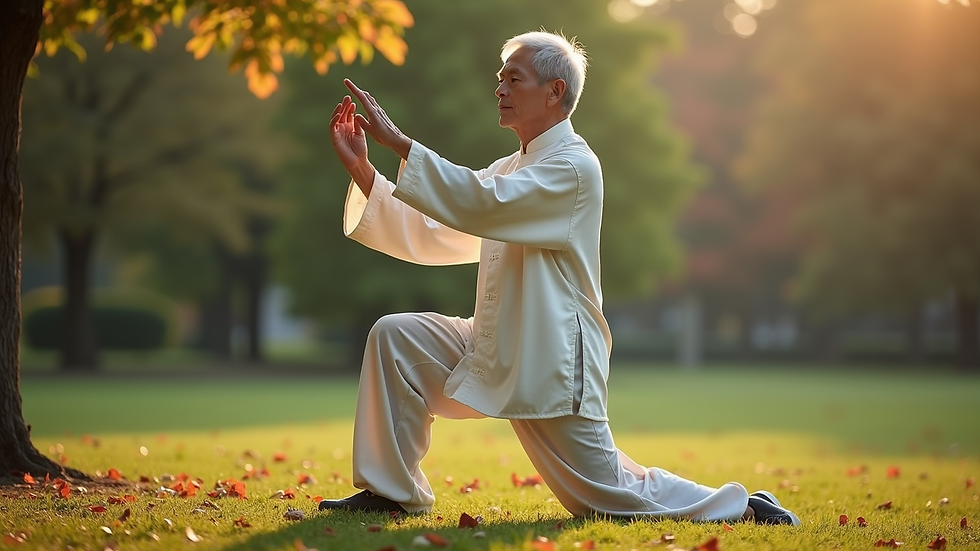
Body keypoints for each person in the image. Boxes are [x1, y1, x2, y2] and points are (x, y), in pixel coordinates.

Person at [318, 30, 800, 526]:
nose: (500, 89)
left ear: (554, 93)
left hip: (553, 360)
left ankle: (743, 507)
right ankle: (391, 492)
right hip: (495, 343)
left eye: (514, 79)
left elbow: (480, 205)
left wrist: (399, 143)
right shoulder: (515, 165)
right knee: (396, 336)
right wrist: (366, 174)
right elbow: (446, 224)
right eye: (500, 79)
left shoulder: (573, 167)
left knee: (606, 494)